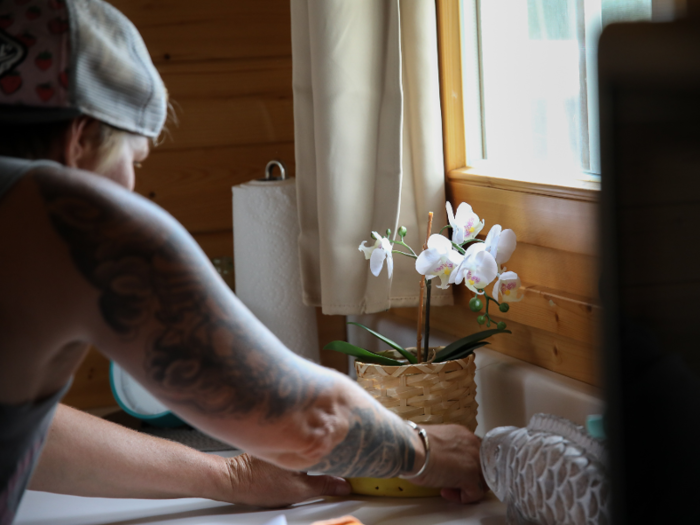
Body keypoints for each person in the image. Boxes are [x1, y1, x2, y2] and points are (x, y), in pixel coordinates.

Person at [0, 1, 485, 523]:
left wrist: (227, 475)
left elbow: (34, 435)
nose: (133, 186)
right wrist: (432, 451)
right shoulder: (68, 215)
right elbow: (305, 419)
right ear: (81, 140)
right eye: (134, 161)